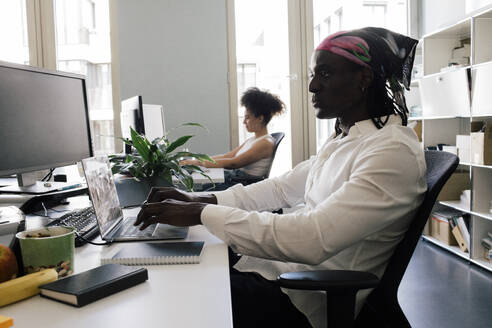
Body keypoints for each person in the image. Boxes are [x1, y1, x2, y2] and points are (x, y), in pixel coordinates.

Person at [134, 27, 426, 328]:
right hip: (276, 272)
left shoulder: (392, 151)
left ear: (363, 79)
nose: (312, 86)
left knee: (172, 293)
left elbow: (313, 237)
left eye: (324, 74)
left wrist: (201, 213)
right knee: (174, 268)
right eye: (314, 74)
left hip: (302, 298)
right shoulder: (347, 139)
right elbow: (279, 189)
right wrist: (199, 200)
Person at [180, 87, 284, 190]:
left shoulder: (265, 142)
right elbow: (228, 156)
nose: (244, 122)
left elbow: (233, 163)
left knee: (200, 191)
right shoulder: (254, 139)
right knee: (201, 187)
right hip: (236, 179)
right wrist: (199, 160)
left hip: (245, 185)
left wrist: (197, 163)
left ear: (260, 118)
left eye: (247, 117)